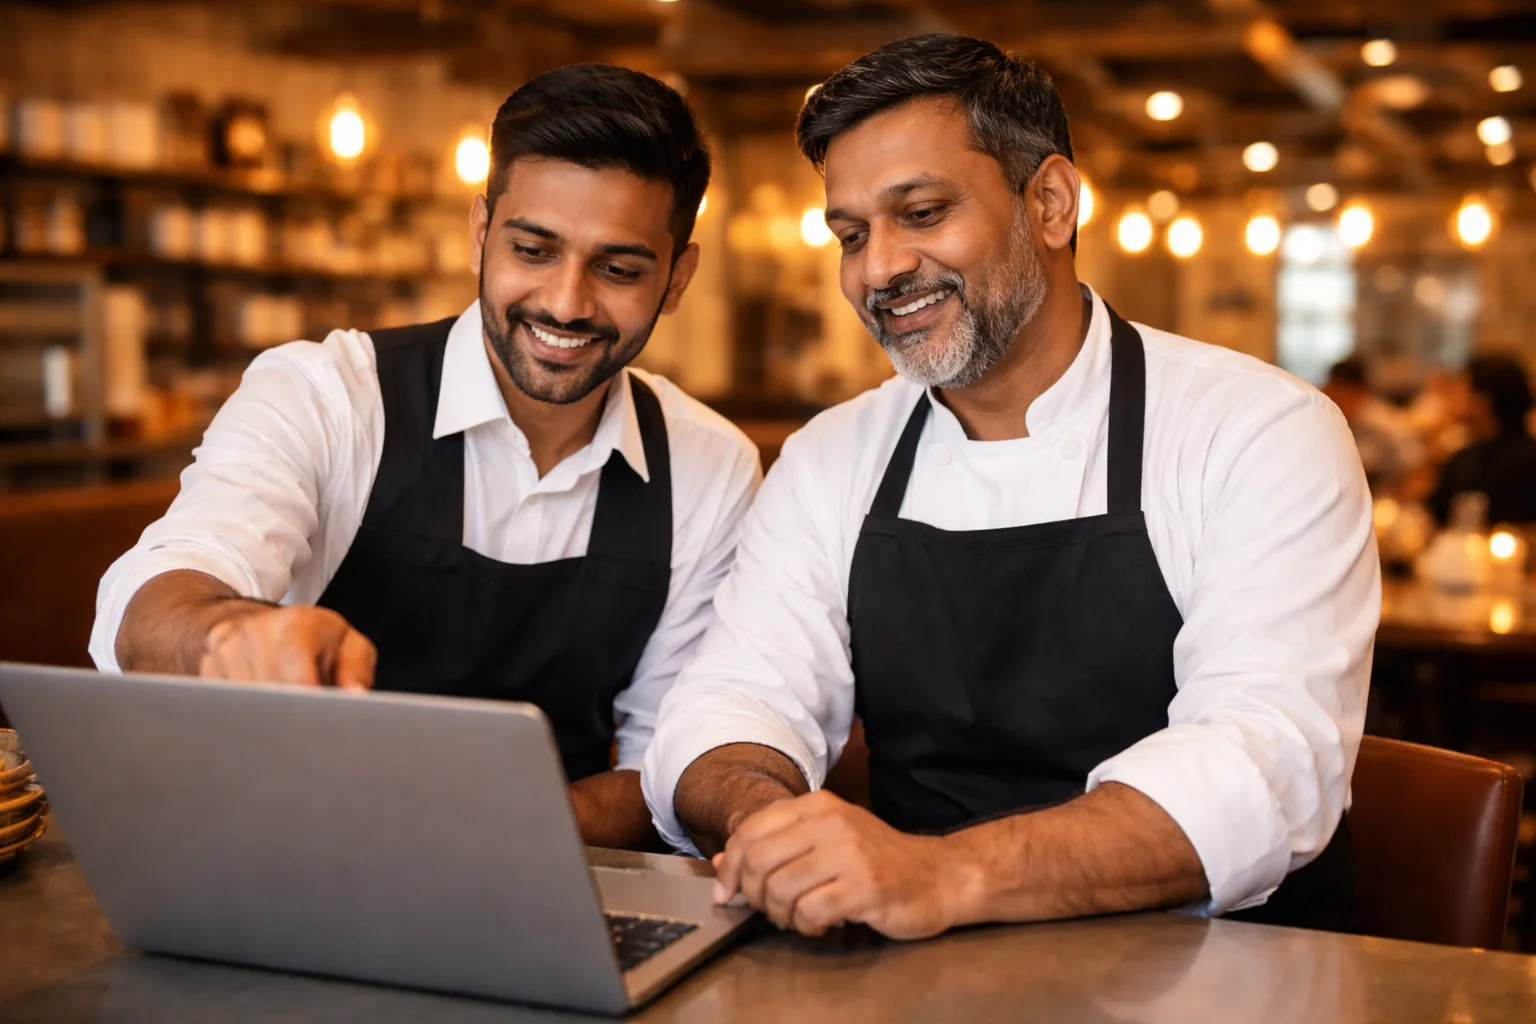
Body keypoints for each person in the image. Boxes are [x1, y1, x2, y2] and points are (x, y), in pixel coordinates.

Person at [642, 35, 1378, 938]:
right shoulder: (834, 457)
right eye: (852, 234)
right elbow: (729, 701)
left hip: (1218, 973)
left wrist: (941, 875)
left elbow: (1264, 764)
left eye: (921, 212)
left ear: (1052, 203)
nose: (879, 269)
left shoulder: (1257, 431)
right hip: (913, 971)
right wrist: (775, 832)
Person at [90, 65, 761, 850]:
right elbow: (149, 607)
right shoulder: (326, 395)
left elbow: (665, 770)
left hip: (545, 873)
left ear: (677, 276)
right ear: (481, 231)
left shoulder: (711, 467)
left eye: (618, 269)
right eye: (533, 249)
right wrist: (223, 632)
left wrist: (488, 822)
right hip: (284, 849)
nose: (566, 302)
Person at [1428, 353, 1536, 526]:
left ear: (1485, 398)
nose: (1452, 397)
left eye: (1462, 388)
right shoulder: (1463, 458)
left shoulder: (1527, 462)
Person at [1322, 357, 1422, 497]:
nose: (1336, 397)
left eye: (1342, 392)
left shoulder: (1382, 423)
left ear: (1360, 392)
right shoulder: (1324, 416)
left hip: (1381, 497)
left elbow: (1415, 463)